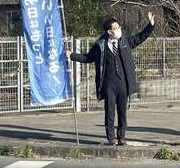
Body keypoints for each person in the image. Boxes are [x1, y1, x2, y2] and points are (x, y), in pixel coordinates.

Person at [66, 12, 155, 146]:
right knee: (110, 112)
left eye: (119, 26)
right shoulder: (100, 45)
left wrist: (151, 25)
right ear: (109, 31)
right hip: (108, 83)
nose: (119, 29)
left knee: (122, 112)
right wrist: (72, 55)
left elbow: (140, 37)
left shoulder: (125, 41)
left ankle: (121, 137)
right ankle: (110, 138)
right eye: (116, 27)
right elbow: (88, 58)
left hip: (123, 82)